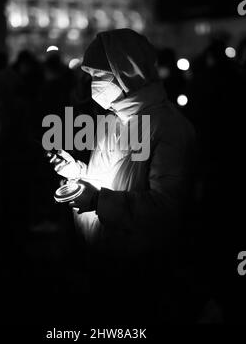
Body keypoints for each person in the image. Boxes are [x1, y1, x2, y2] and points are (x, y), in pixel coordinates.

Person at [48, 29, 199, 323]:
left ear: (126, 73)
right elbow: (108, 179)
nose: (93, 85)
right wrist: (76, 171)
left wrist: (98, 201)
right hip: (99, 263)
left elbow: (166, 209)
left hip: (139, 275)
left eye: (99, 76)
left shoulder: (168, 128)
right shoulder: (114, 120)